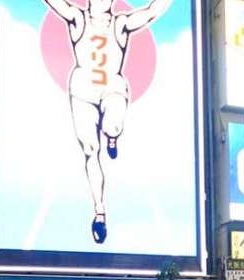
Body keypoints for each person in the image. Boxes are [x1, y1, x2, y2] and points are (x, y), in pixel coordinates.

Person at [41, 0, 174, 244]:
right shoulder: (77, 18)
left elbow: (151, 12)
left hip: (111, 87)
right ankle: (100, 212)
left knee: (113, 124)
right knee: (91, 150)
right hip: (82, 91)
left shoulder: (120, 23)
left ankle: (113, 136)